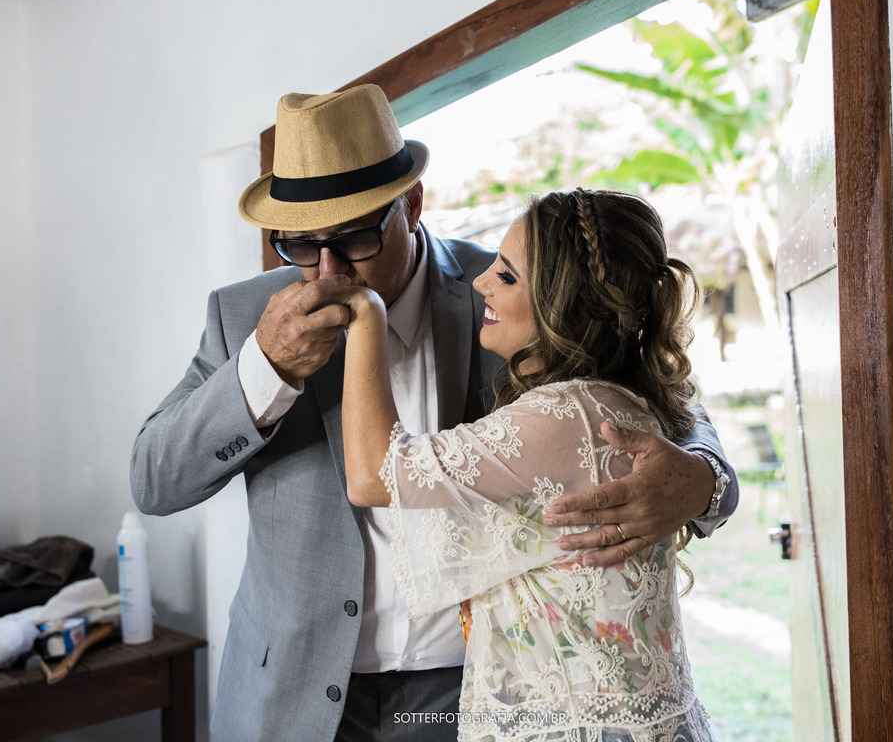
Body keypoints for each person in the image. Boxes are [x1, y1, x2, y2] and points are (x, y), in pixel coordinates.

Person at [129, 84, 736, 742]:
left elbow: (659, 399)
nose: (326, 271)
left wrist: (704, 478)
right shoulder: (247, 318)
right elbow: (154, 480)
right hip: (294, 694)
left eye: (354, 237)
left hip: (471, 690)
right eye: (299, 246)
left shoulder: (511, 293)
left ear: (412, 204)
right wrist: (263, 371)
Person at [338, 188, 715, 741]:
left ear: (572, 309)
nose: (481, 283)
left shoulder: (567, 415)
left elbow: (376, 474)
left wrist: (366, 316)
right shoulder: (621, 398)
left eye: (508, 276)